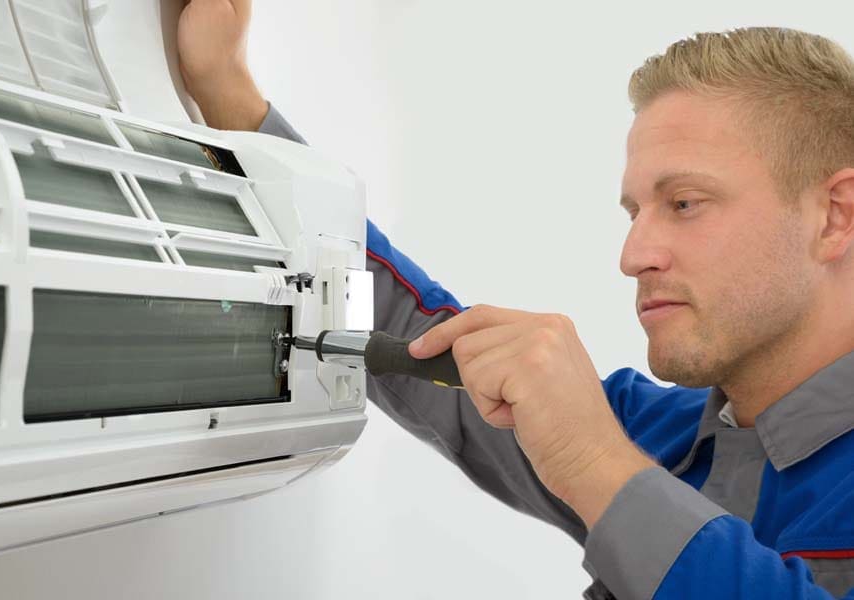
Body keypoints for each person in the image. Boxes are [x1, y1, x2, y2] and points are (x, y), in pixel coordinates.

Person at [177, 3, 854, 598]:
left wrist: (594, 465)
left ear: (833, 217)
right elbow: (425, 340)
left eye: (683, 203)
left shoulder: (612, 449)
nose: (632, 256)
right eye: (633, 212)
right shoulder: (660, 438)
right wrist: (230, 98)